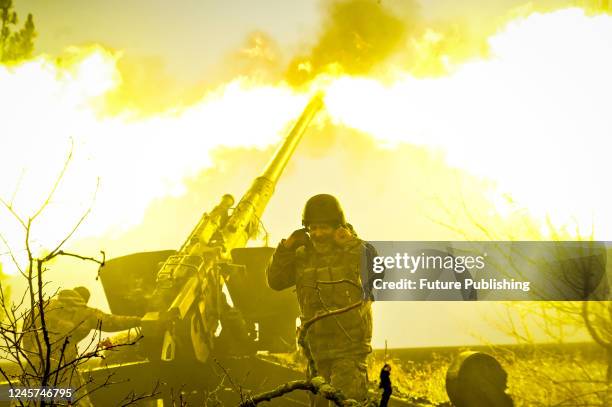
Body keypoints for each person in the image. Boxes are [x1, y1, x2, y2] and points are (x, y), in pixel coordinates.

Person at [266, 194, 377, 406]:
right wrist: (286, 248)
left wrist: (352, 243)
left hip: (349, 351)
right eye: (313, 228)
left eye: (324, 228)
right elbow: (275, 281)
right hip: (316, 353)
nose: (318, 233)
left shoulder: (354, 251)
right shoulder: (302, 256)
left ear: (338, 227)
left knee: (346, 402)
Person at [21, 286, 141, 401]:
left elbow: (26, 332)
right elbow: (112, 322)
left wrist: (32, 352)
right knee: (77, 400)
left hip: (35, 362)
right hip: (63, 364)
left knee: (30, 400)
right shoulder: (86, 313)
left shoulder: (44, 306)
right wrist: (138, 321)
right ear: (85, 300)